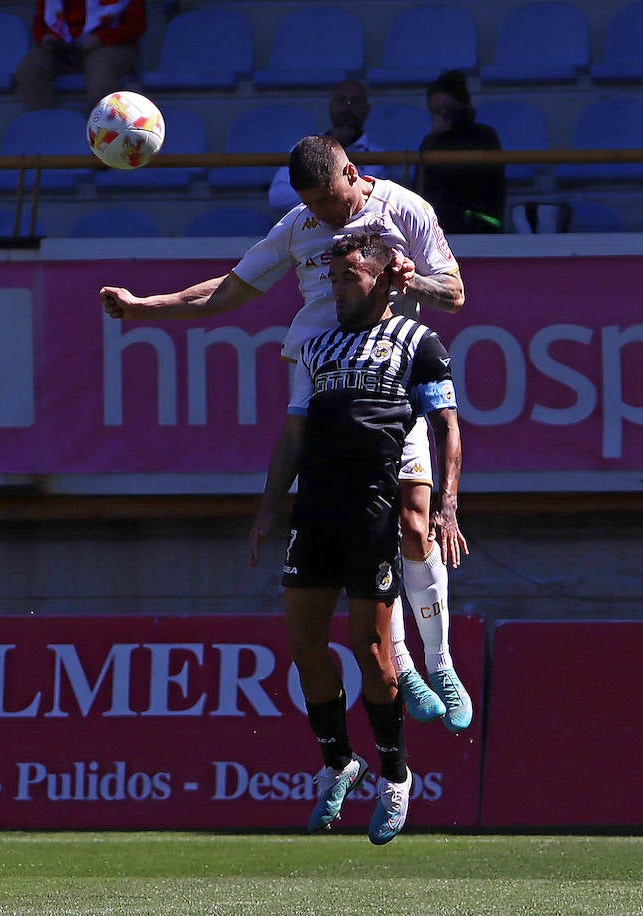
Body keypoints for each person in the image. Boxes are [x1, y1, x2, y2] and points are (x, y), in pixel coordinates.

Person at [100, 135, 474, 735]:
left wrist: (412, 283)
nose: (323, 217)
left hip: (388, 374)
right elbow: (229, 289)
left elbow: (453, 293)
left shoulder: (406, 210)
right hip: (323, 385)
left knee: (412, 517)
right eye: (313, 205)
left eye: (330, 200)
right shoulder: (298, 226)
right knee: (362, 528)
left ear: (352, 171)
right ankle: (400, 661)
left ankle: (441, 661)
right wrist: (146, 307)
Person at [254, 230, 465, 843]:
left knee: (374, 655)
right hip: (314, 511)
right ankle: (340, 761)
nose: (338, 288)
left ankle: (396, 777)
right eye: (334, 278)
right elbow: (294, 432)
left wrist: (447, 504)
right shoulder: (316, 349)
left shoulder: (419, 346)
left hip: (373, 512)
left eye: (350, 277)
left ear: (382, 280)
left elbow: (448, 427)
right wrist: (269, 504)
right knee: (304, 646)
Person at [268, 79, 387, 213]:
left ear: (366, 109)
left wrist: (318, 193)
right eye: (341, 100)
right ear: (330, 106)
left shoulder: (384, 157)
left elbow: (379, 204)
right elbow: (278, 198)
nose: (347, 107)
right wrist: (333, 195)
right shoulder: (305, 150)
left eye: (355, 101)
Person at [14, 0, 146, 112]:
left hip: (110, 44)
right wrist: (45, 36)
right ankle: (49, 127)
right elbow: (40, 22)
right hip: (63, 47)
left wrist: (101, 38)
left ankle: (100, 132)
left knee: (100, 70)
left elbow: (136, 26)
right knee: (28, 69)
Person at [417, 70, 506, 235]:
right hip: (439, 227)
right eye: (437, 111)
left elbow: (477, 182)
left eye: (449, 109)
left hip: (480, 224)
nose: (443, 116)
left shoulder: (485, 136)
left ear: (464, 106)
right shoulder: (430, 143)